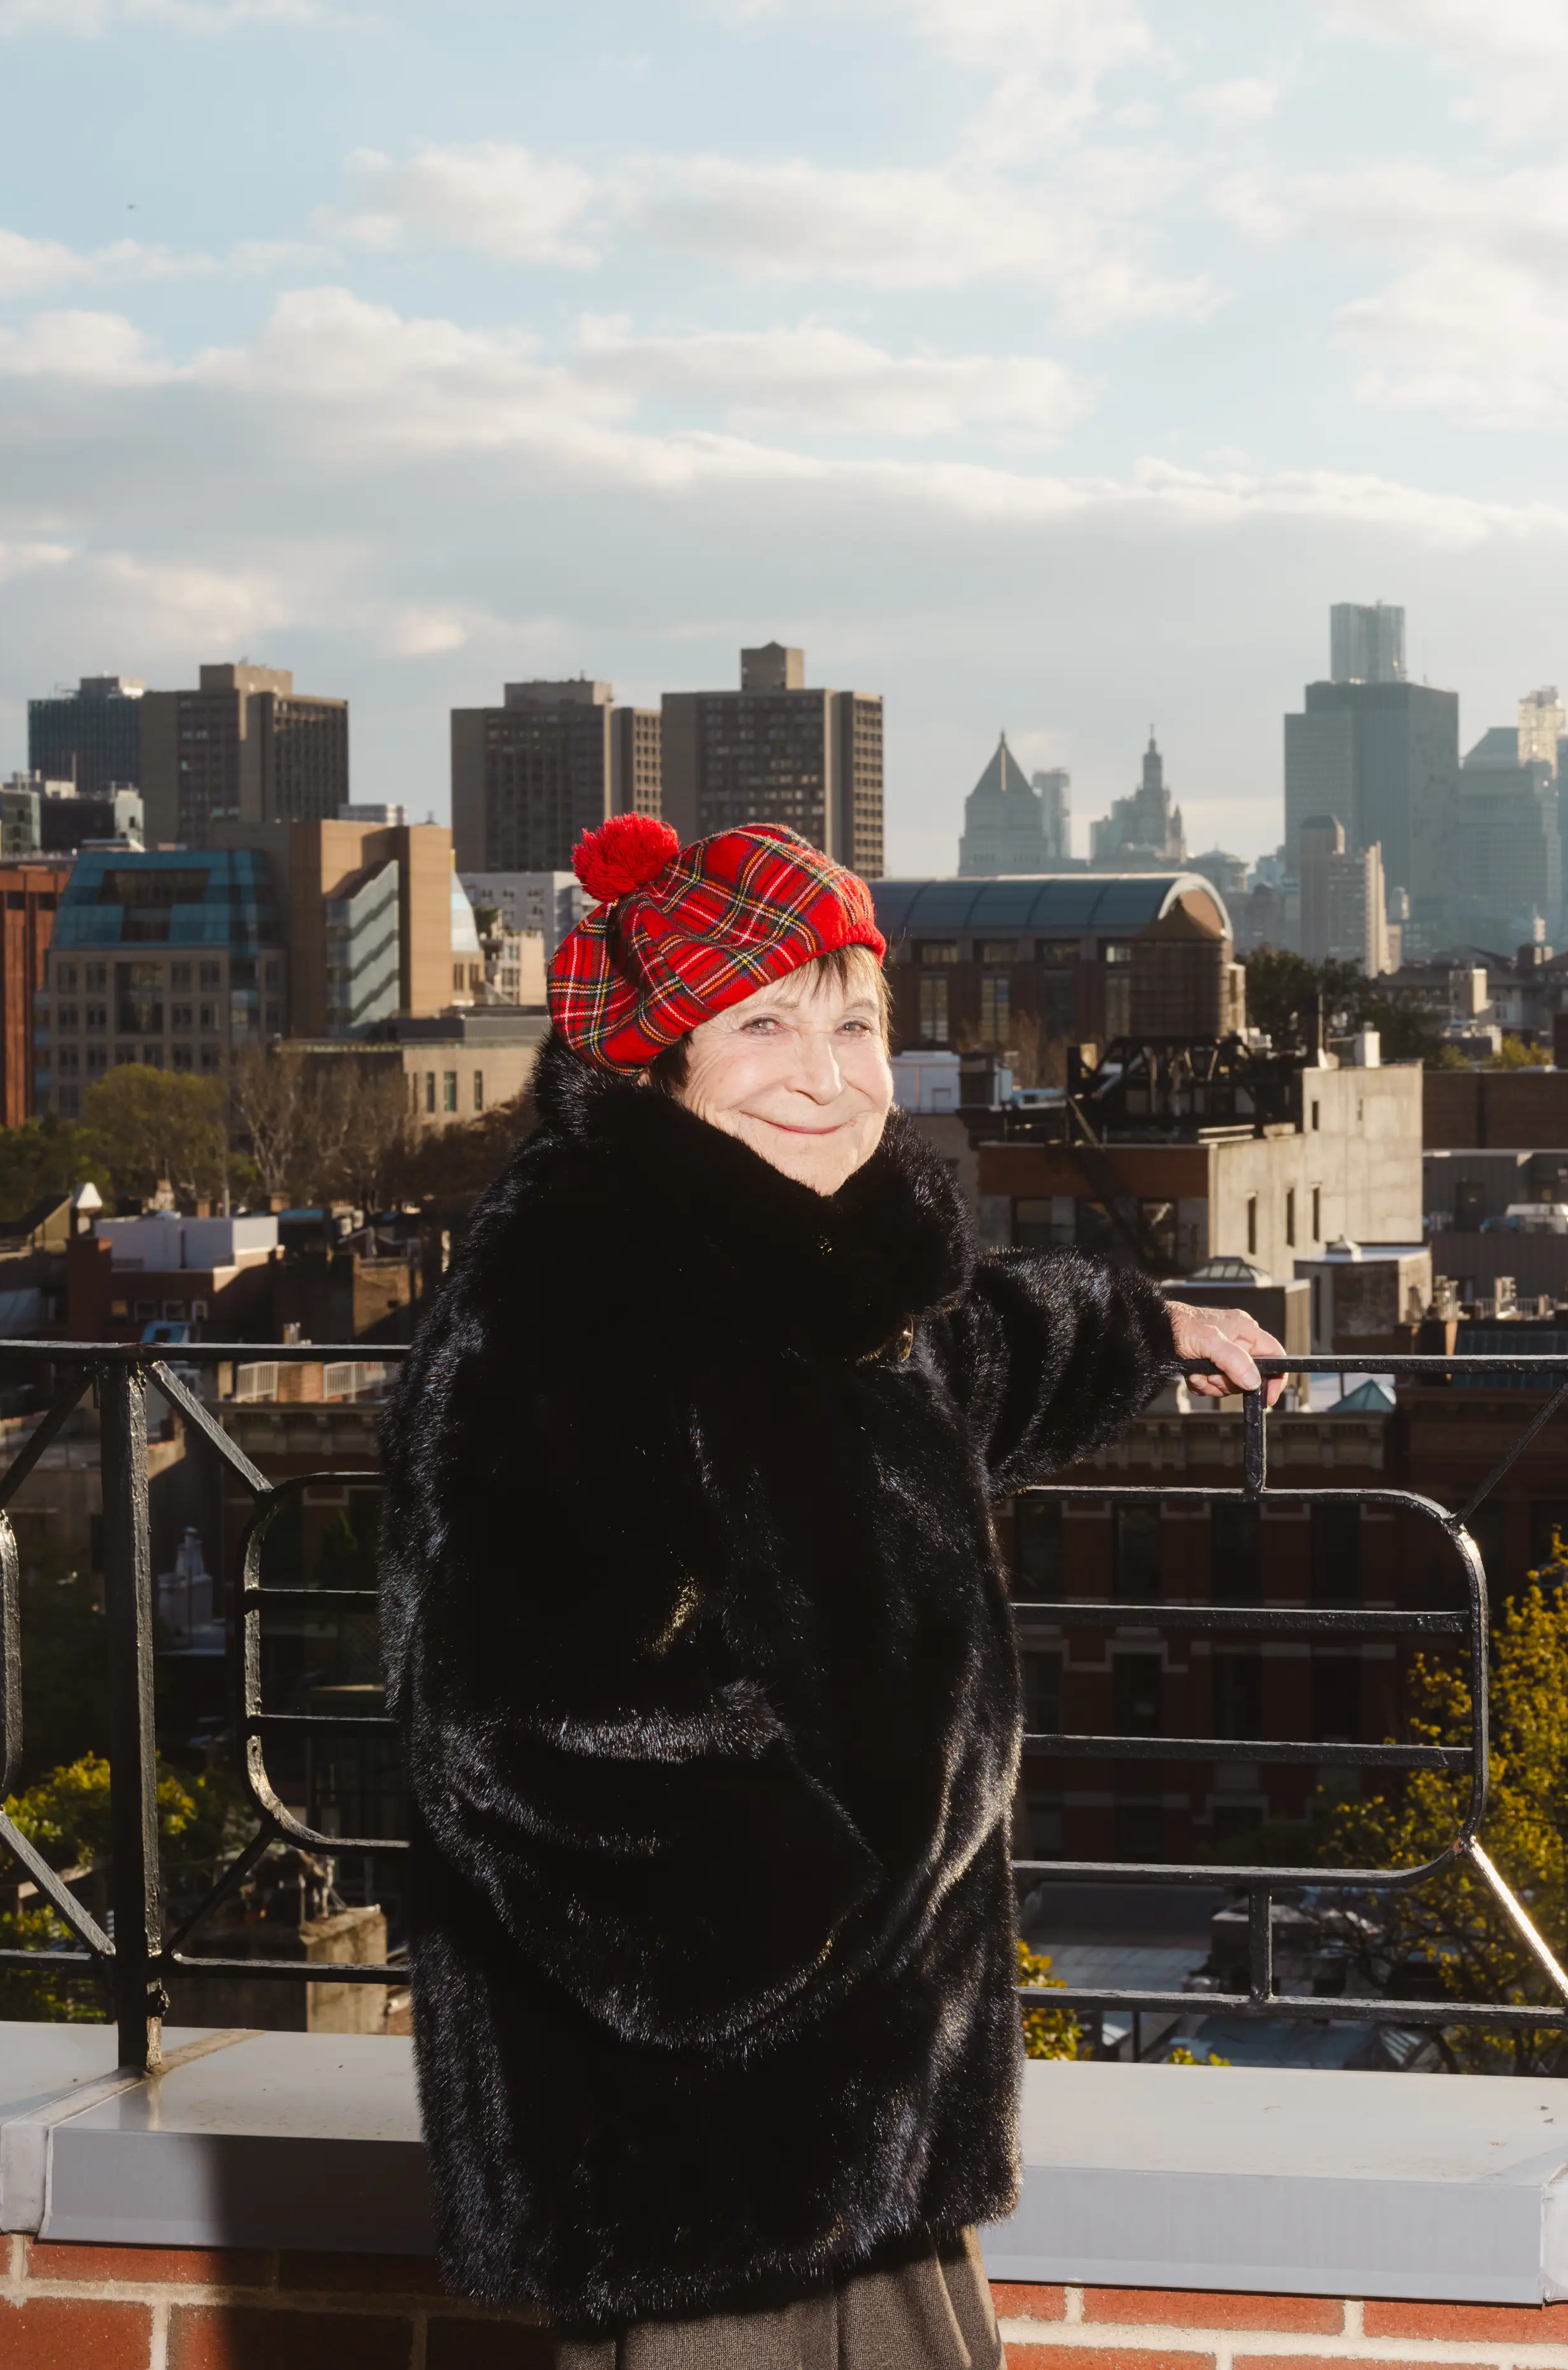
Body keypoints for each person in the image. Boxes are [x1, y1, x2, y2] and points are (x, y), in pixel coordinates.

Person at [381, 815, 1282, 2367]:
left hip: (851, 2107)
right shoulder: (569, 1297)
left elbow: (953, 1381)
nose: (828, 1071)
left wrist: (1145, 1330)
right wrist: (808, 1929)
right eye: (763, 1027)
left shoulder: (796, 1263)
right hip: (710, 2140)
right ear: (656, 1065)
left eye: (853, 1023)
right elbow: (518, 1715)